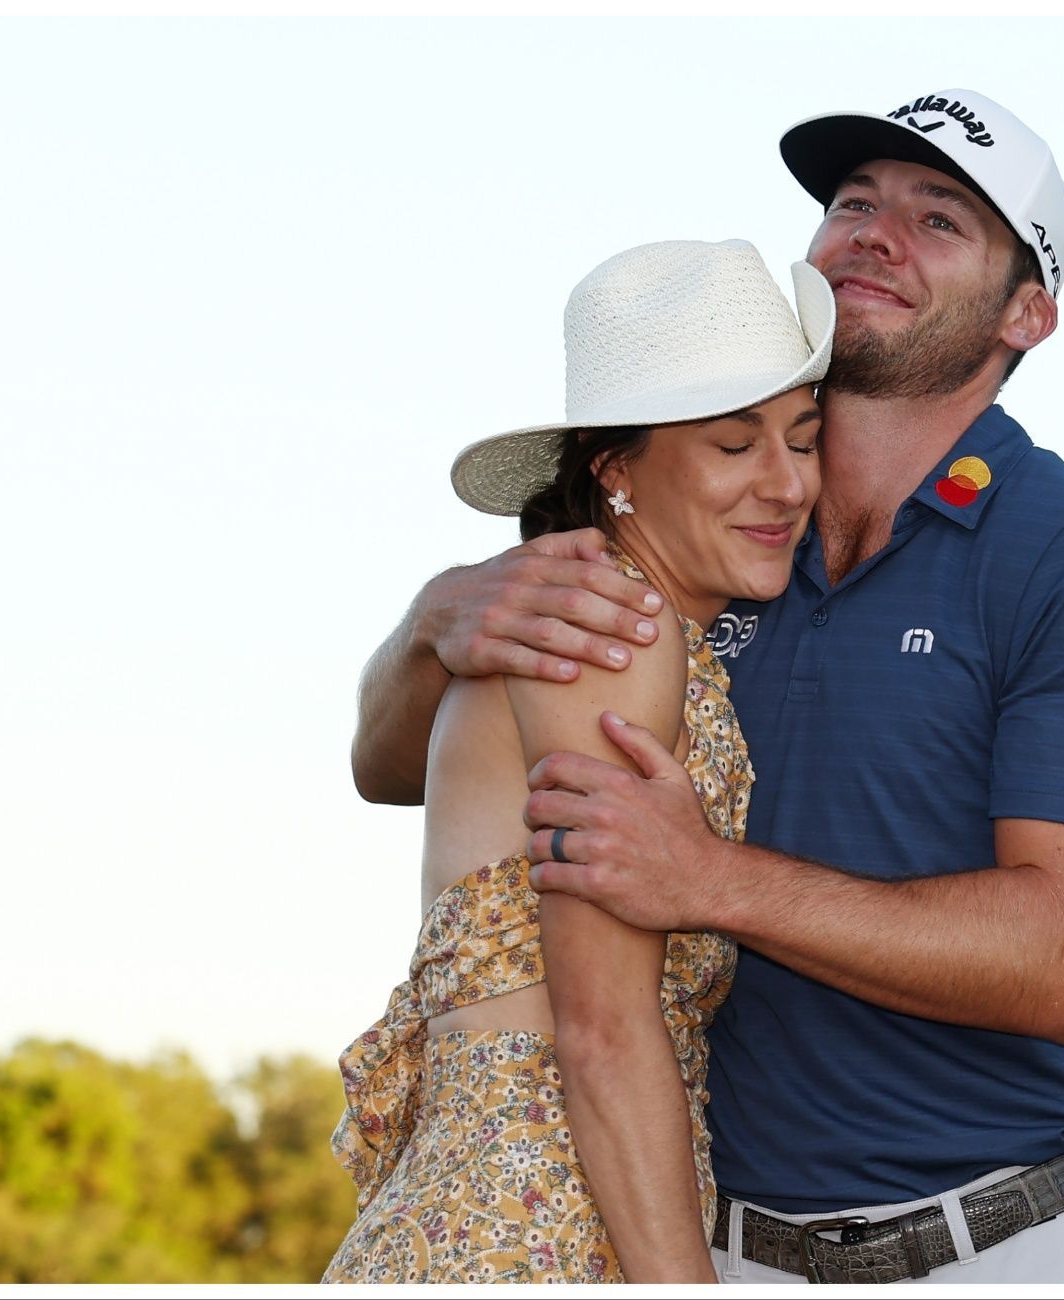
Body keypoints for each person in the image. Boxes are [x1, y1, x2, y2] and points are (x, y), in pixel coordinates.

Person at [349, 88, 1064, 1285]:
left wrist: (712, 879)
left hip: (997, 1239)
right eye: (855, 203)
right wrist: (434, 625)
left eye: (940, 219)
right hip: (712, 1237)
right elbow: (395, 768)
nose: (877, 234)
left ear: (1029, 313)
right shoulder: (705, 548)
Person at [323, 239, 834, 1284]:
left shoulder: (603, 617)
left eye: (803, 438)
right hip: (543, 1218)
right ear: (617, 470)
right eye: (735, 446)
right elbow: (601, 1028)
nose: (786, 483)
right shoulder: (614, 628)